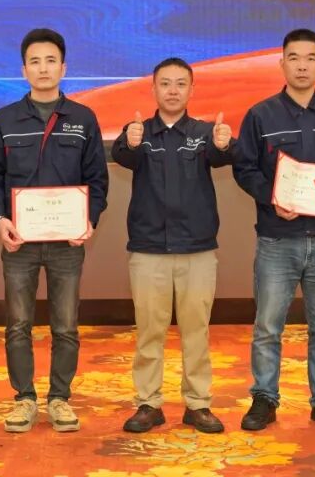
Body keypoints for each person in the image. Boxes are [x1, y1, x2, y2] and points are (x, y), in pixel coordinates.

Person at [0, 28, 109, 433]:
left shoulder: (83, 119)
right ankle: (24, 399)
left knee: (65, 325)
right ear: (24, 70)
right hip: (20, 243)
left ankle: (59, 399)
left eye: (51, 60)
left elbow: (97, 180)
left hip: (67, 243)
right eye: (35, 61)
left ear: (63, 68)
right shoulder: (4, 120)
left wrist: (89, 219)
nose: (43, 68)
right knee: (18, 324)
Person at [232, 28, 315, 431]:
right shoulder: (261, 115)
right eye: (294, 58)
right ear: (281, 63)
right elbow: (244, 169)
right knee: (268, 326)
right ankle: (264, 399)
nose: (302, 66)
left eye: (310, 58)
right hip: (277, 238)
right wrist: (272, 198)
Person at [111, 58, 235, 435]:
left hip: (198, 249)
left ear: (192, 90)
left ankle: (198, 404)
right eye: (165, 83)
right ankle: (148, 403)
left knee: (197, 331)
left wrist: (224, 144)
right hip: (149, 249)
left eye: (181, 83)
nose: (172, 90)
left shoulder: (204, 132)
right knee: (150, 330)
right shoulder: (138, 132)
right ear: (153, 89)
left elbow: (224, 155)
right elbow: (122, 155)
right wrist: (131, 142)